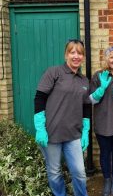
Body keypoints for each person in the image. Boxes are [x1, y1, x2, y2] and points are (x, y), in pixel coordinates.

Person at [33, 39, 90, 196]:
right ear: (66, 55)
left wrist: (85, 131)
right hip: (51, 134)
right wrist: (40, 128)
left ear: (83, 57)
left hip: (73, 135)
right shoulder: (54, 72)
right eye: (72, 52)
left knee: (79, 172)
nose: (76, 56)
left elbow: (86, 106)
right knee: (54, 171)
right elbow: (39, 98)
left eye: (79, 53)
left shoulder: (84, 80)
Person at [89, 46, 113, 196]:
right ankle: (106, 180)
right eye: (112, 57)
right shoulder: (98, 76)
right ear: (107, 59)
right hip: (101, 122)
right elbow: (90, 100)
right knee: (105, 152)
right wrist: (100, 90)